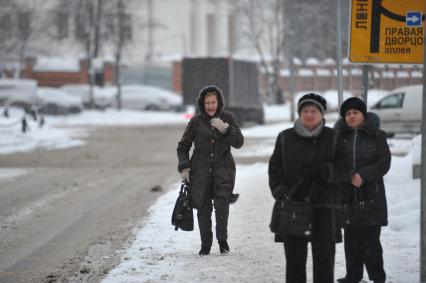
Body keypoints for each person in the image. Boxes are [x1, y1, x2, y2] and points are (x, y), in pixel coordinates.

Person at [268, 93, 341, 283]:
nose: (309, 114)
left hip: (325, 209)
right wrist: (281, 192)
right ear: (300, 114)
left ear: (322, 114)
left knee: (325, 264)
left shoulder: (333, 137)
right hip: (293, 208)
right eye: (305, 111)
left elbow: (344, 169)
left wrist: (328, 171)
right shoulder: (285, 138)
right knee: (294, 264)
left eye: (314, 111)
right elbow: (275, 170)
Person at [176, 85, 244, 256]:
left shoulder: (228, 117)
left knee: (222, 208)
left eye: (213, 102)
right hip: (200, 172)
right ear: (202, 104)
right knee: (203, 210)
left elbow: (239, 142)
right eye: (207, 103)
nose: (211, 106)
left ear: (219, 102)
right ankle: (205, 244)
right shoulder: (196, 121)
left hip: (223, 170)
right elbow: (183, 146)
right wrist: (184, 166)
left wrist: (226, 129)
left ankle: (223, 242)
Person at [335, 97, 391, 283]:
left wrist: (364, 175)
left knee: (371, 242)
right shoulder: (338, 138)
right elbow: (334, 162)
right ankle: (353, 276)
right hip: (347, 197)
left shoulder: (378, 136)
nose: (352, 116)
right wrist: (349, 175)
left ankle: (377, 277)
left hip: (371, 197)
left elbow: (384, 162)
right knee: (351, 241)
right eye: (348, 113)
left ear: (363, 115)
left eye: (355, 112)